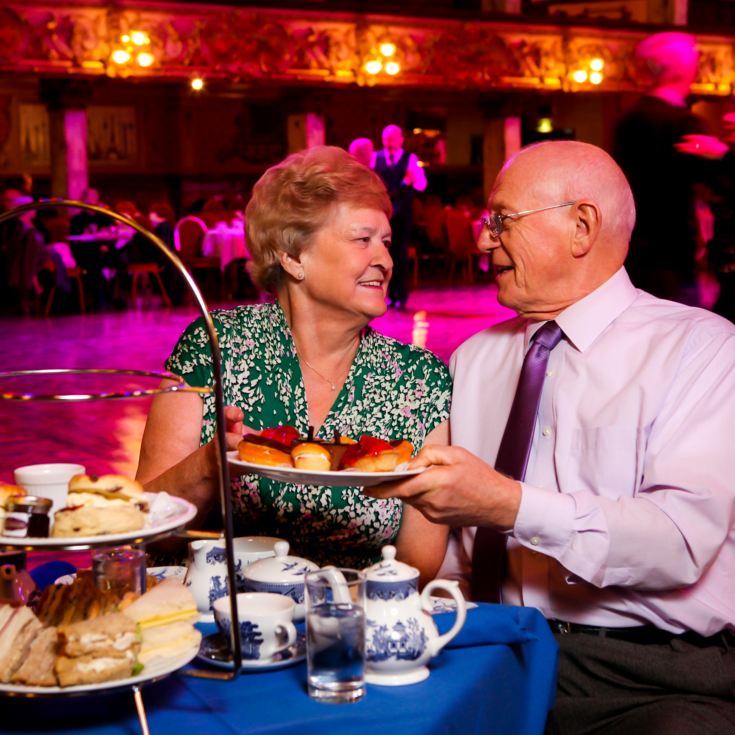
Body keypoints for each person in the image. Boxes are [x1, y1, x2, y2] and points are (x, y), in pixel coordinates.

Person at [367, 140, 735, 734]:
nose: (482, 239)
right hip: (488, 646)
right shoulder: (474, 359)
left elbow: (679, 539)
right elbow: (460, 553)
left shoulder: (702, 349)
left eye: (501, 221)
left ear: (581, 227)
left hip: (647, 674)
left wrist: (508, 505)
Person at [136, 145, 450, 578]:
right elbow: (144, 527)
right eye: (363, 239)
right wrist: (209, 467)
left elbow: (421, 559)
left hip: (354, 621)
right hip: (225, 619)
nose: (385, 260)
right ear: (293, 256)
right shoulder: (214, 347)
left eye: (387, 242)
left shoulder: (420, 378)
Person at [613, 31, 719, 307]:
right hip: (672, 254)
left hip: (634, 250)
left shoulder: (629, 119)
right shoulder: (684, 125)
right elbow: (716, 187)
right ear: (680, 66)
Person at [373, 124, 427, 310]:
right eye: (387, 137)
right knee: (383, 255)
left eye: (393, 137)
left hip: (403, 214)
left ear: (401, 139)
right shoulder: (376, 158)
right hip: (383, 215)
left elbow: (422, 185)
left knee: (400, 255)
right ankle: (388, 295)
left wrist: (412, 179)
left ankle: (401, 296)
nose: (389, 141)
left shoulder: (409, 158)